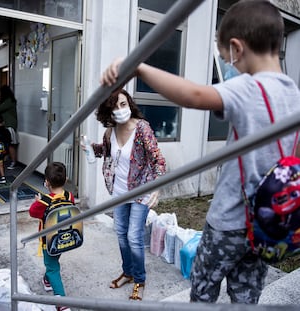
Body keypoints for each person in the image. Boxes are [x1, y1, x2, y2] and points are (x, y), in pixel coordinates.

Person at [101, 0, 300, 304]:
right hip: (267, 225)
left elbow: (193, 95)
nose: (230, 66)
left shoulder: (249, 87)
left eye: (226, 59)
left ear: (237, 48)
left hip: (229, 221)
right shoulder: (294, 94)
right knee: (245, 295)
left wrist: (138, 66)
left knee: (203, 287)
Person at [87, 89, 166, 301]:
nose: (120, 110)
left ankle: (140, 279)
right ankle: (128, 273)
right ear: (108, 111)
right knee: (121, 234)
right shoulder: (109, 132)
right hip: (119, 192)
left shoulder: (142, 128)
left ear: (129, 104)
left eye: (123, 104)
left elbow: (158, 161)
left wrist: (157, 188)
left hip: (141, 191)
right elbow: (105, 150)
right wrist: (88, 147)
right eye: (115, 106)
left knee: (133, 236)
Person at [29, 162, 73, 311]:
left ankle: (61, 301)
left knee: (52, 268)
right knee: (53, 262)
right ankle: (47, 281)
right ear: (66, 179)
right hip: (65, 236)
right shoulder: (69, 195)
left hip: (48, 241)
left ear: (46, 182)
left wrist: (37, 201)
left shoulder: (44, 201)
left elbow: (33, 212)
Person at [0, 85, 19, 170]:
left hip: (9, 125)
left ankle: (13, 162)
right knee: (3, 143)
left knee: (11, 145)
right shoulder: (8, 100)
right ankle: (2, 157)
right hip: (6, 125)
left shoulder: (9, 101)